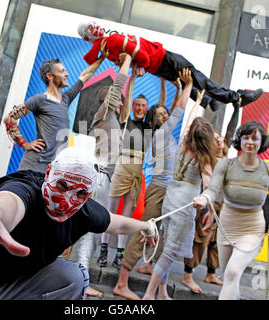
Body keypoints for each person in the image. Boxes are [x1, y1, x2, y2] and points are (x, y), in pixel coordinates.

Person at [0, 146, 157, 300]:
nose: (66, 201)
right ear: (49, 171)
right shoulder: (27, 189)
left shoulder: (84, 209)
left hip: (10, 281)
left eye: (81, 193)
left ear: (89, 194)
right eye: (62, 185)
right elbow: (10, 203)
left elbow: (115, 223)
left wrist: (146, 226)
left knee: (74, 277)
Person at [112, 69, 193, 300]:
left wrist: (178, 89)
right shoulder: (159, 134)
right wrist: (186, 86)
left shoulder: (168, 135)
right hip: (159, 191)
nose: (163, 117)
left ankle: (155, 277)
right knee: (144, 232)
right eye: (157, 115)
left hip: (170, 191)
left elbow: (172, 109)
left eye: (163, 114)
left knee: (163, 236)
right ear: (153, 120)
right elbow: (178, 110)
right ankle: (121, 283)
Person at [77, 20, 263, 112]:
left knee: (188, 83)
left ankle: (209, 101)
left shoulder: (107, 51)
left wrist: (141, 65)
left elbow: (137, 61)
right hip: (161, 59)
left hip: (158, 66)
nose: (96, 26)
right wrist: (143, 64)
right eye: (92, 26)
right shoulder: (112, 42)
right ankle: (237, 97)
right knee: (198, 78)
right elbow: (143, 57)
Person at [193, 121, 269, 300]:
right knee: (229, 277)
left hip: (252, 228)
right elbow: (212, 189)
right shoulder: (226, 166)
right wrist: (203, 198)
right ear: (239, 140)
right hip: (226, 226)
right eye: (246, 137)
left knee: (232, 272)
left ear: (261, 142)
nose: (250, 142)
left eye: (255, 138)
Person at [72, 47, 132, 297]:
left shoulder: (115, 119)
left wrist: (134, 74)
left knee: (93, 228)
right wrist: (127, 61)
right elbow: (118, 88)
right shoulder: (103, 113)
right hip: (98, 177)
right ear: (107, 100)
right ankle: (82, 282)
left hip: (102, 178)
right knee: (90, 228)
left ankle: (80, 279)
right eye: (114, 97)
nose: (118, 99)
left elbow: (124, 99)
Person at [142, 111, 217, 300]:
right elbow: (208, 187)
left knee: (168, 247)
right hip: (184, 207)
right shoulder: (205, 158)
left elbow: (189, 121)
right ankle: (150, 294)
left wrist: (197, 102)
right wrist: (206, 204)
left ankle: (162, 292)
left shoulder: (183, 142)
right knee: (170, 252)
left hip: (170, 200)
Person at [3, 52, 105, 173]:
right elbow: (10, 118)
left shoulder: (66, 98)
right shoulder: (39, 100)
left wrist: (102, 56)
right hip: (34, 165)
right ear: (50, 76)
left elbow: (85, 75)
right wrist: (25, 144)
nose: (67, 74)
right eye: (62, 71)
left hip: (54, 167)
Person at [181, 102, 241, 293]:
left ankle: (211, 273)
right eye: (215, 139)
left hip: (224, 205)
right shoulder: (208, 158)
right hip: (209, 204)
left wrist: (237, 108)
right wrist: (206, 208)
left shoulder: (226, 157)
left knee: (217, 241)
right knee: (200, 239)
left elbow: (231, 133)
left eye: (220, 138)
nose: (220, 141)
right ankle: (188, 274)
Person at [96, 71, 152, 271]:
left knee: (127, 216)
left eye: (143, 106)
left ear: (146, 110)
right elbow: (127, 97)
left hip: (136, 174)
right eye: (137, 104)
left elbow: (163, 107)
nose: (139, 107)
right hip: (120, 168)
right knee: (109, 212)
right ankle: (103, 250)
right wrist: (133, 77)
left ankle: (119, 255)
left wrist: (163, 82)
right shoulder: (125, 120)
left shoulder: (148, 127)